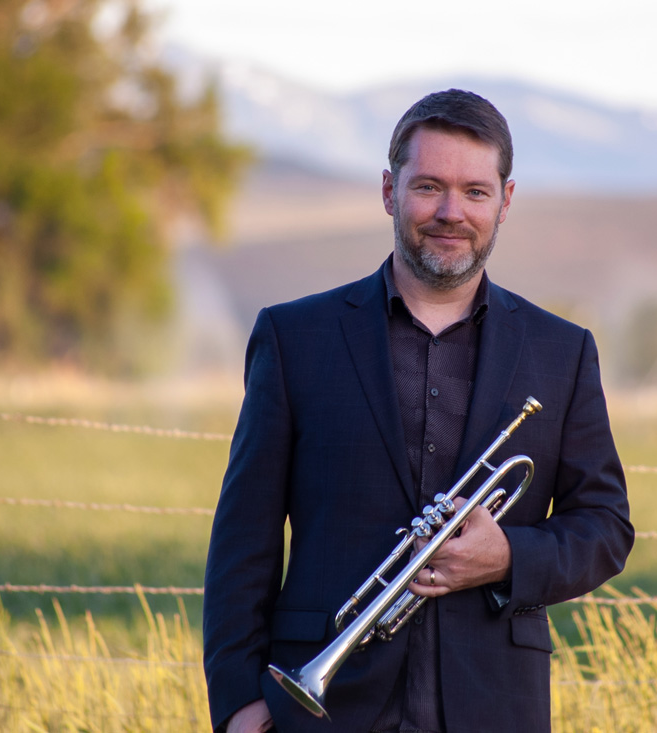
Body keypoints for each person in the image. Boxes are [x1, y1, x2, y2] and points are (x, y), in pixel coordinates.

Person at [203, 89, 634, 733]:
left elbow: (604, 527)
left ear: (505, 202)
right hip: (323, 709)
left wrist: (509, 556)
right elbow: (244, 542)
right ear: (389, 190)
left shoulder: (561, 352)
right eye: (428, 186)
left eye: (475, 192)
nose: (450, 212)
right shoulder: (296, 338)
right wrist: (239, 701)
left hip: (495, 706)